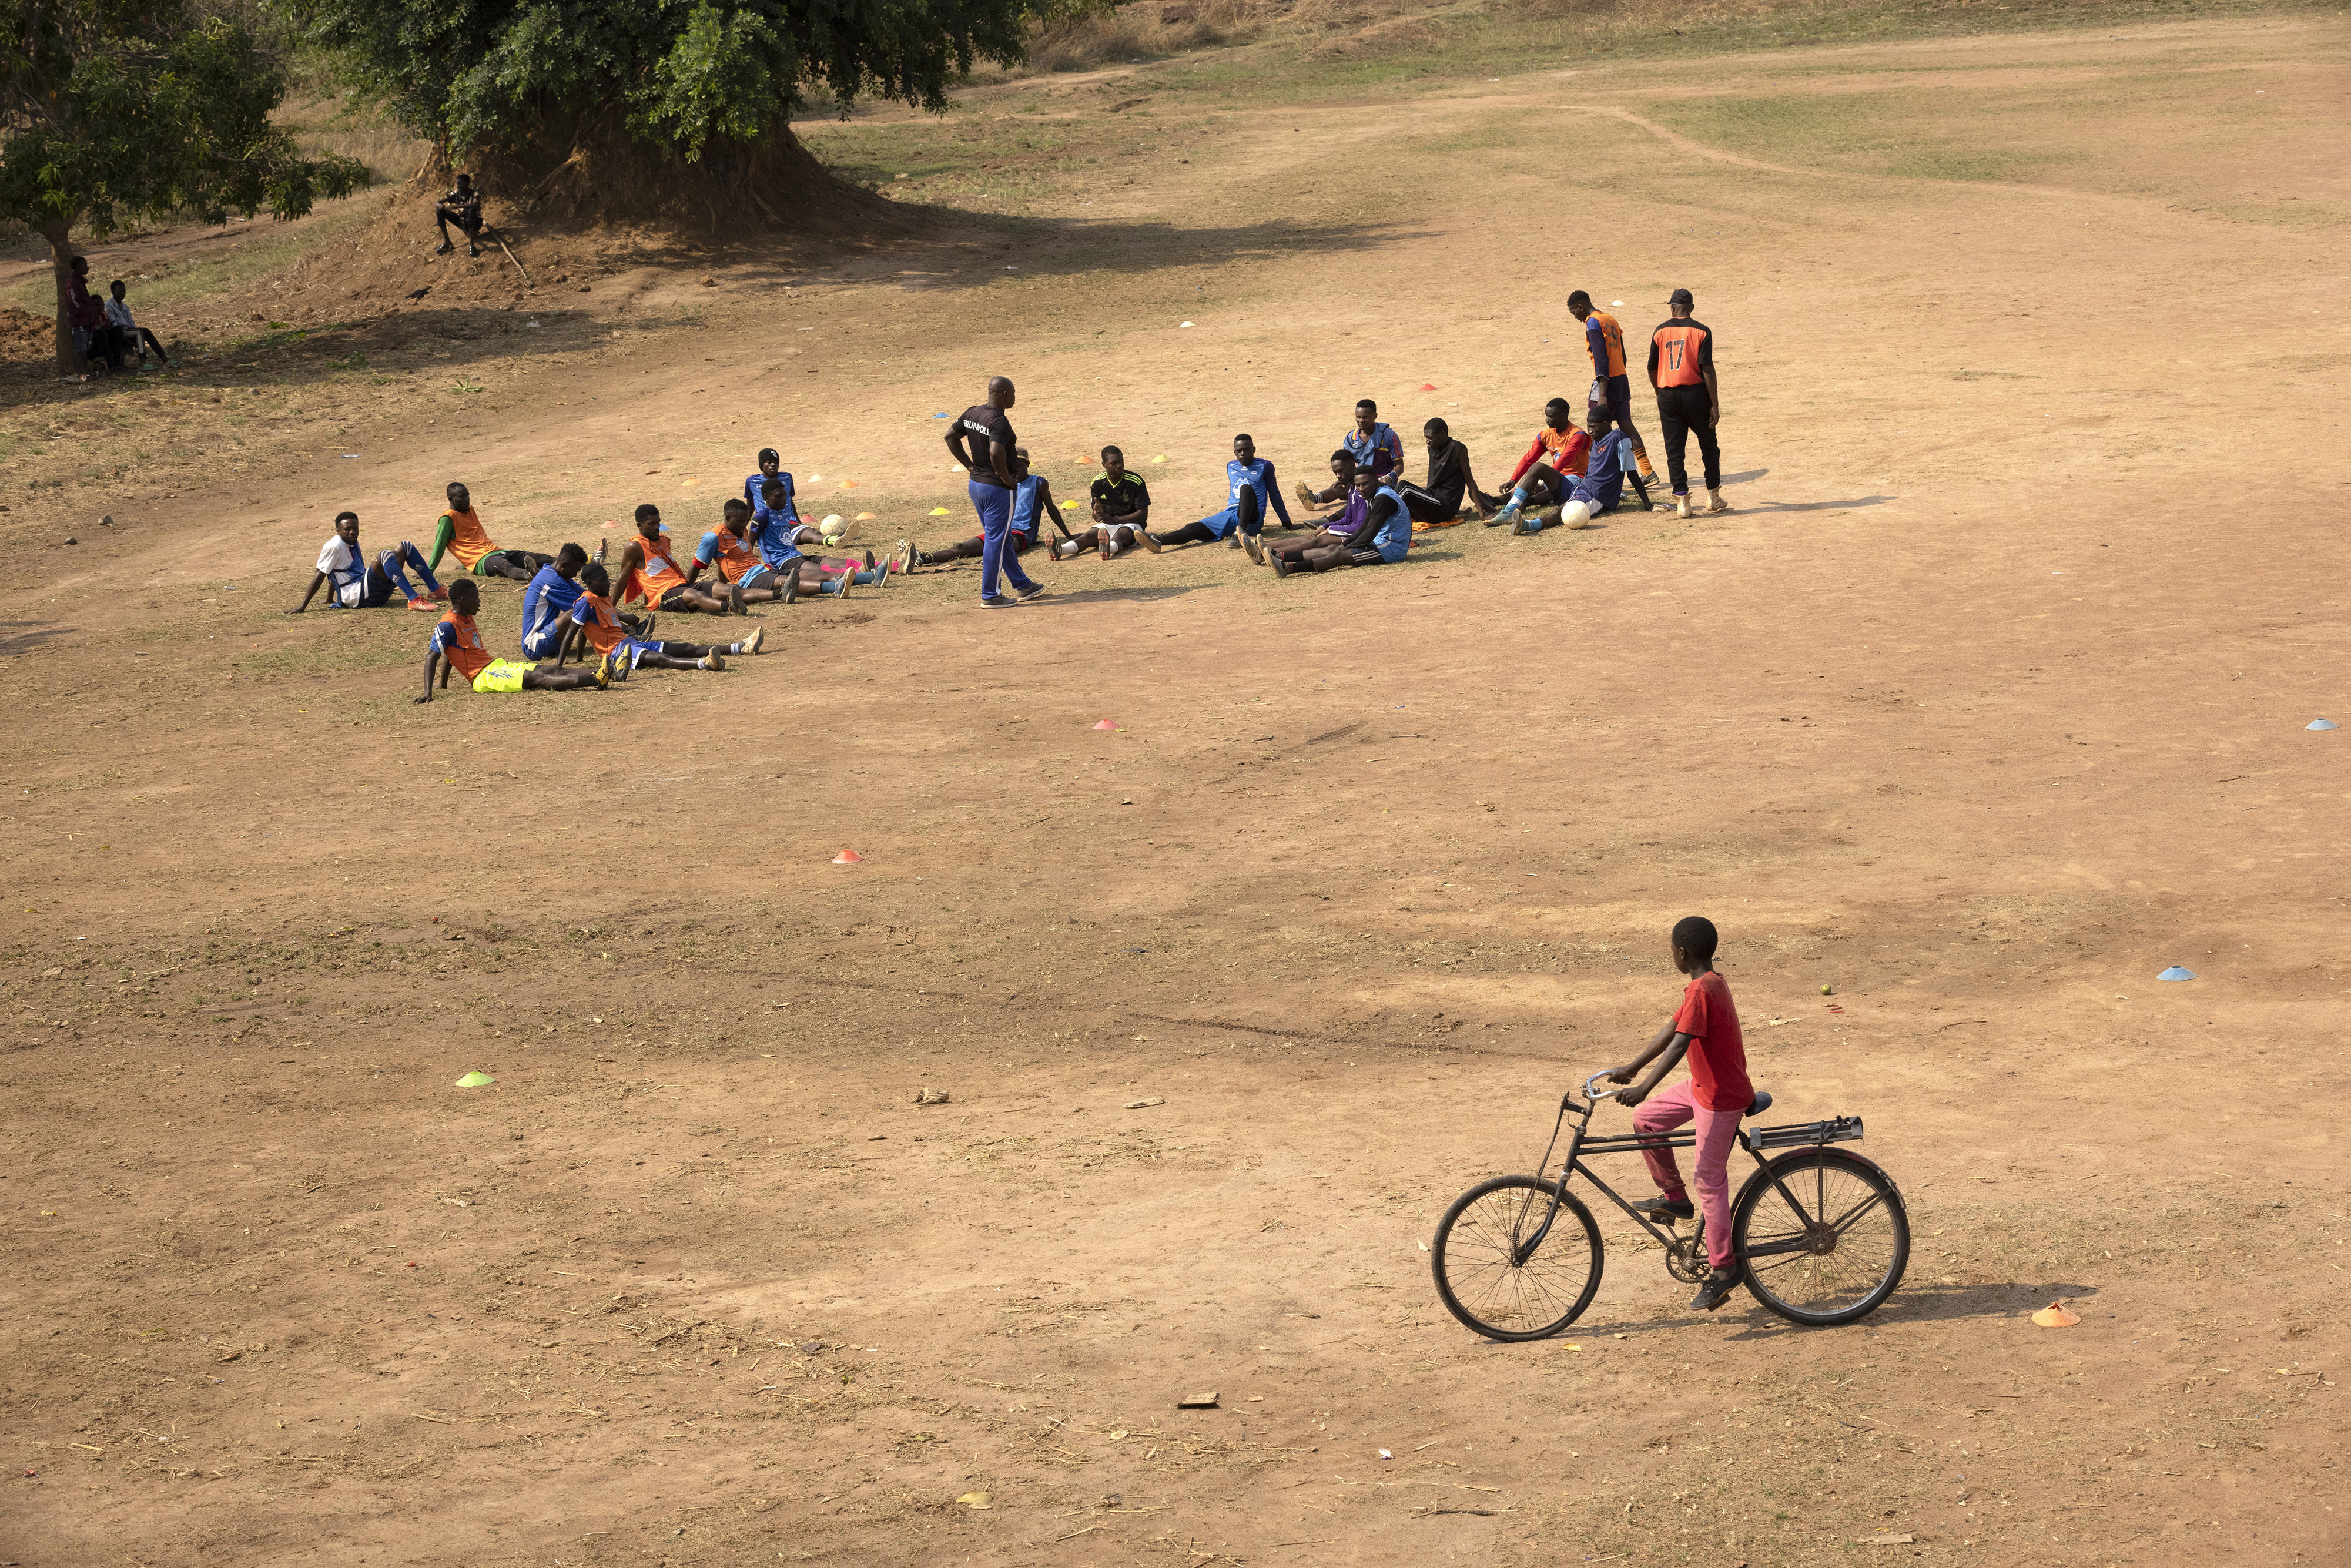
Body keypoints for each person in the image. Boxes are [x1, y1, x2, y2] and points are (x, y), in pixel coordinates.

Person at [1603, 915, 1753, 1314]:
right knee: (1647, 1120)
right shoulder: (1702, 985)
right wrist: (1632, 1068)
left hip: (1721, 1098)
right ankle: (1675, 1201)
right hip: (1702, 1087)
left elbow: (1680, 1045)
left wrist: (1643, 1087)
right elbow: (1670, 1031)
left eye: (1671, 949)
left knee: (1709, 1180)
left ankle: (1724, 1271)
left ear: (1682, 953)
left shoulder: (1706, 989)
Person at [417, 577, 607, 702]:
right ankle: (594, 680)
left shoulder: (466, 617)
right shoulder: (447, 624)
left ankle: (608, 672)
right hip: (484, 677)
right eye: (475, 598)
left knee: (551, 668)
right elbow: (432, 656)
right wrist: (428, 692)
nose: (479, 601)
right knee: (538, 678)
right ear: (462, 600)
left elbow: (449, 651)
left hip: (495, 666)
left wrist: (443, 684)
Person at [945, 375, 1046, 607]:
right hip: (997, 489)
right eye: (1013, 393)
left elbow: (950, 437)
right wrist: (1005, 478)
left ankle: (1023, 585)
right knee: (996, 539)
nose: (1015, 398)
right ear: (1004, 394)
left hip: (976, 485)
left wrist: (969, 466)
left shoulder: (972, 413)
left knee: (998, 536)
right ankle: (991, 595)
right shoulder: (999, 421)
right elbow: (995, 452)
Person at [557, 563, 749, 679]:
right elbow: (574, 632)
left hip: (631, 643)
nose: (608, 583)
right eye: (602, 580)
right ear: (590, 584)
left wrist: (580, 658)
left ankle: (739, 647)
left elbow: (584, 631)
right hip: (618, 652)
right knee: (660, 660)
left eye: (608, 579)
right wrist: (559, 666)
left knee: (686, 647)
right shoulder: (586, 602)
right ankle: (705, 664)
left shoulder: (603, 597)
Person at [1567, 291, 1659, 500]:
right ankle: (1647, 472)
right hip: (1621, 379)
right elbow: (1623, 355)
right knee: (1627, 425)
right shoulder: (1610, 319)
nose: (1576, 318)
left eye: (1575, 313)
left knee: (1596, 429)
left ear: (1581, 306)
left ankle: (1601, 479)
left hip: (1605, 383)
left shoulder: (1592, 323)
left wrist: (1603, 393)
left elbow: (1601, 360)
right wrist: (1619, 379)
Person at [1148, 433, 1292, 559]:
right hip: (1230, 513)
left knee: (1246, 489)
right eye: (1239, 451)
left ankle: (1240, 534)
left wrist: (1287, 523)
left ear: (1254, 450)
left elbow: (1275, 494)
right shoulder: (1231, 466)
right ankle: (1159, 540)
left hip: (1252, 518)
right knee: (1195, 527)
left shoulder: (1265, 466)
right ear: (1234, 452)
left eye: (1247, 449)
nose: (1243, 453)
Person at [1650, 287, 1729, 519]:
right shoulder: (1702, 331)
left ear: (1673, 308)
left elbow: (1652, 368)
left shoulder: (1660, 331)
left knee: (1674, 450)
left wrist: (1659, 392)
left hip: (1668, 395)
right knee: (1709, 444)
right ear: (1692, 309)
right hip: (1696, 395)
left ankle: (1683, 501)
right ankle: (1713, 496)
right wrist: (1714, 404)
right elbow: (1707, 369)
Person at [922, 448, 1067, 565]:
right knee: (960, 547)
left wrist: (1068, 535)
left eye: (1020, 466)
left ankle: (992, 558)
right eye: (1012, 466)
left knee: (1006, 544)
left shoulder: (1038, 483)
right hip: (998, 531)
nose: (1016, 470)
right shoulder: (1003, 483)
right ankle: (925, 557)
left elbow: (1052, 509)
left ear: (1028, 465)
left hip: (1021, 535)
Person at [748, 481, 889, 597]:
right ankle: (870, 576)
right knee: (823, 572)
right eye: (779, 496)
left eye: (785, 495)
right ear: (766, 498)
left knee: (839, 562)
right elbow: (750, 543)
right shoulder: (761, 517)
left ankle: (890, 566)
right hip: (782, 562)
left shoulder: (784, 512)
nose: (784, 499)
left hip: (796, 555)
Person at [287, 511, 444, 614]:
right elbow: (320, 574)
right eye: (347, 529)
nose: (352, 532)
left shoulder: (351, 540)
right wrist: (303, 606)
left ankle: (436, 590)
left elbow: (336, 569)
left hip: (372, 592)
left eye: (355, 528)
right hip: (358, 597)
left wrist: (329, 598)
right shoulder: (334, 545)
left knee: (405, 546)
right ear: (338, 531)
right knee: (384, 555)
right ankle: (414, 600)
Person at [1268, 464, 1410, 577]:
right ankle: (1282, 556)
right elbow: (1366, 525)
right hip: (1381, 542)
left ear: (1375, 481)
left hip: (1392, 549)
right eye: (1358, 485)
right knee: (1331, 548)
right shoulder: (1376, 493)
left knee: (1339, 555)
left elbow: (1370, 533)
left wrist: (1347, 546)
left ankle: (1287, 568)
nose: (1361, 489)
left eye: (1365, 484)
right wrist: (1348, 542)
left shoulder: (1383, 499)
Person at [1509, 407, 1630, 535]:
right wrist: (1514, 479)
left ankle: (1527, 525)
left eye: (1593, 427)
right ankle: (1508, 511)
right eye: (1588, 427)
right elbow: (1530, 458)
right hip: (1579, 488)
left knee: (1558, 512)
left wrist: (1647, 504)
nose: (1590, 431)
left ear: (1605, 424)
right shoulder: (1597, 439)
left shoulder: (1617, 438)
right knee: (1538, 467)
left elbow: (1631, 472)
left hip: (1595, 497)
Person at [616, 504, 741, 615]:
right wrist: (610, 606)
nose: (657, 527)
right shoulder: (634, 546)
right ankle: (730, 607)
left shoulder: (663, 540)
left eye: (658, 522)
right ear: (640, 526)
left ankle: (753, 596)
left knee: (725, 588)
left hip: (683, 585)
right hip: (664, 595)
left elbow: (652, 572)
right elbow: (623, 576)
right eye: (652, 524)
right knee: (697, 595)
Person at [1488, 400, 1591, 528]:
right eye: (1546, 416)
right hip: (1558, 475)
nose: (1547, 420)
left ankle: (1515, 506)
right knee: (1525, 484)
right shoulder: (1545, 435)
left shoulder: (1577, 435)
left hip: (1576, 479)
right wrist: (1513, 479)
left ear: (1563, 416)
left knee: (1541, 479)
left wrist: (1546, 478)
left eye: (1551, 417)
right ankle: (1502, 506)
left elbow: (1565, 459)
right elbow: (1529, 458)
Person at [426, 482, 554, 582]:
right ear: (451, 499)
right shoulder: (448, 518)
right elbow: (440, 546)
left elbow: (471, 539)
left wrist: (465, 564)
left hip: (497, 551)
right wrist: (428, 571)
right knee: (506, 567)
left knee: (534, 557)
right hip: (482, 561)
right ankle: (531, 575)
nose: (467, 499)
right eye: (462, 497)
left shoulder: (470, 510)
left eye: (468, 495)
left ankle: (562, 562)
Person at [1295, 400, 1404, 508]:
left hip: (1382, 480)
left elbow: (1400, 465)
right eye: (1358, 417)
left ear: (1375, 416)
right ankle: (1314, 499)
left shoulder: (1389, 436)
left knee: (1359, 500)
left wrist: (1390, 477)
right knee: (1340, 488)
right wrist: (1343, 478)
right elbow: (1347, 464)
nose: (1361, 421)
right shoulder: (1351, 438)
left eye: (1365, 417)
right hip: (1361, 479)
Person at [741, 450, 858, 547]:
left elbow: (790, 502)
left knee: (812, 533)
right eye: (769, 462)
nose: (774, 464)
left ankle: (836, 540)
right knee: (808, 536)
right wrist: (743, 529)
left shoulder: (787, 477)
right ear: (762, 465)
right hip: (768, 525)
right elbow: (750, 506)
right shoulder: (752, 482)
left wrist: (798, 522)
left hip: (789, 522)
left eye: (776, 462)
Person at [695, 501, 792, 606]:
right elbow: (696, 566)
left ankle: (783, 590)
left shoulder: (741, 531)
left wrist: (723, 585)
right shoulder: (714, 537)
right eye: (740, 521)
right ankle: (780, 594)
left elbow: (724, 558)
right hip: (748, 579)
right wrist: (687, 588)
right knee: (790, 581)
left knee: (796, 575)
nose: (744, 525)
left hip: (764, 569)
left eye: (746, 521)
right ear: (728, 518)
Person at [1396, 418, 1489, 527]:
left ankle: (1379, 516)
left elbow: (1470, 482)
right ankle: (1379, 515)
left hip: (1444, 508)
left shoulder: (1457, 449)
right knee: (1395, 488)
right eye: (1426, 437)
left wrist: (1482, 515)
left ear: (1442, 434)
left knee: (1404, 487)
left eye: (1430, 437)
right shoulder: (1432, 447)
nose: (1427, 441)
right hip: (1434, 499)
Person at [521, 544, 597, 658]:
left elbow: (588, 597)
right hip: (534, 645)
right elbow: (586, 607)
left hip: (543, 637)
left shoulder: (559, 575)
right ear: (564, 565)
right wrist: (620, 624)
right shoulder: (552, 581)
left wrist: (616, 613)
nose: (575, 575)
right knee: (575, 613)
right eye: (575, 571)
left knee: (583, 607)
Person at [65, 256, 117, 378]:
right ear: (78, 267)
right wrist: (85, 312)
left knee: (84, 347)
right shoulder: (72, 284)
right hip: (80, 321)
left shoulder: (80, 282)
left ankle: (86, 371)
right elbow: (73, 302)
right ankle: (80, 372)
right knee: (79, 347)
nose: (87, 268)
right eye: (85, 265)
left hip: (87, 320)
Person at [105, 280, 173, 371]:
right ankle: (142, 363)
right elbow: (114, 326)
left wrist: (134, 337)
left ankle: (164, 358)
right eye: (119, 291)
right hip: (117, 333)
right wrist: (128, 340)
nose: (122, 293)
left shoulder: (125, 307)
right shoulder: (109, 306)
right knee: (139, 332)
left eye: (124, 291)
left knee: (146, 331)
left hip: (128, 331)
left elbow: (131, 323)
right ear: (112, 292)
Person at [434, 175, 484, 257]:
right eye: (457, 184)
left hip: (475, 223)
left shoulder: (474, 193)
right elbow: (437, 202)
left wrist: (457, 206)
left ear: (467, 184)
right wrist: (440, 206)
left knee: (471, 209)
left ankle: (471, 245)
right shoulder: (456, 193)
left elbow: (476, 204)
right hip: (463, 223)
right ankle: (447, 242)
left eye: (460, 184)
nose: (458, 186)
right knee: (439, 210)